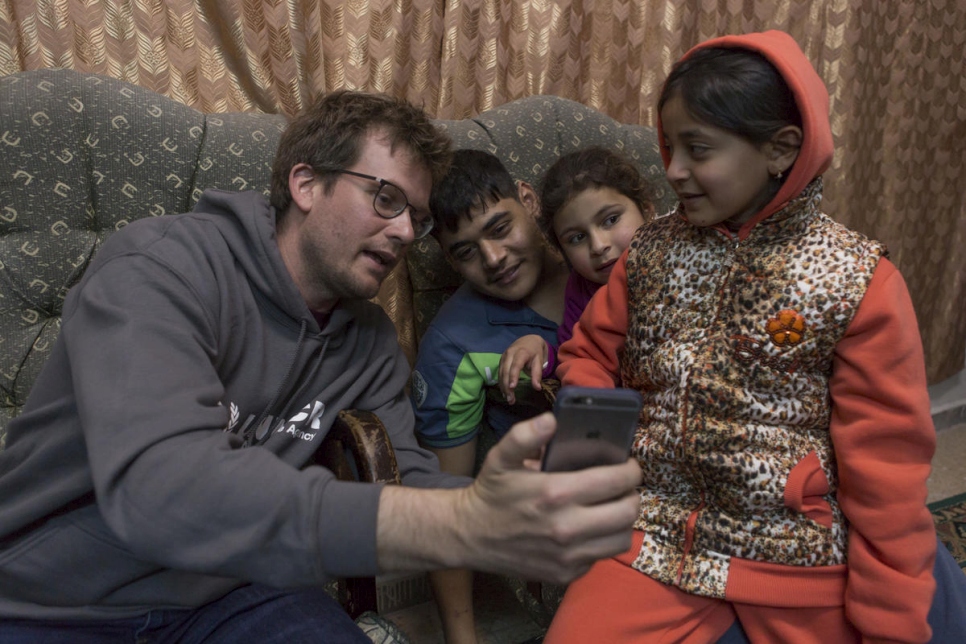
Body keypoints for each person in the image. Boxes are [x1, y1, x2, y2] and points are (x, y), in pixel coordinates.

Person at [0, 90, 642, 643]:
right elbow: (161, 490)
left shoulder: (368, 341)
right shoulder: (161, 267)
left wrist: (512, 509)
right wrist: (462, 522)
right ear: (306, 183)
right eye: (386, 199)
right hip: (53, 603)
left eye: (414, 218)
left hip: (237, 592)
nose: (401, 233)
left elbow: (407, 485)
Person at [545, 31, 964, 642]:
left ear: (780, 149)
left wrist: (890, 619)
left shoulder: (857, 280)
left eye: (698, 150)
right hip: (653, 535)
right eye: (669, 147)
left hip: (793, 556)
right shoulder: (650, 250)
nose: (674, 171)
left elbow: (887, 471)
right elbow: (587, 352)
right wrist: (599, 446)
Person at [409, 148, 571, 643]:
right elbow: (447, 503)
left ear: (528, 199)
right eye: (465, 251)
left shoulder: (601, 256)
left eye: (501, 228)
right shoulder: (453, 345)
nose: (494, 259)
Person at [498, 146, 655, 403]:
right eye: (577, 238)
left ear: (647, 210)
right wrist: (541, 353)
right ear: (562, 249)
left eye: (611, 220)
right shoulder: (581, 291)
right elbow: (576, 356)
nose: (598, 245)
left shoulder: (680, 257)